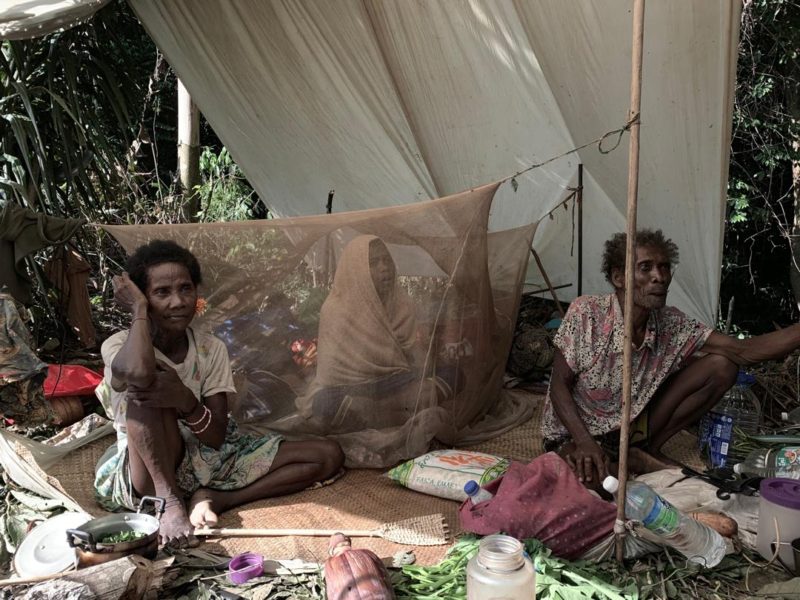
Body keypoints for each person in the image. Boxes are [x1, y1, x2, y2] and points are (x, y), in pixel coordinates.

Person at [94, 240, 344, 548]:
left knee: (328, 455)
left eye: (186, 289)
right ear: (142, 298)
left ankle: (218, 498)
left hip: (207, 455)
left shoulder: (210, 348)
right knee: (148, 390)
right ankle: (169, 502)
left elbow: (215, 436)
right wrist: (139, 312)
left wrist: (184, 398)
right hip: (151, 468)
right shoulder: (118, 345)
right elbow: (139, 373)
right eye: (161, 293)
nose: (178, 302)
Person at [542, 228, 800, 487]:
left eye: (664, 267)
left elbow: (743, 351)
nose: (659, 277)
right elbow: (558, 385)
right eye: (646, 268)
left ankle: (646, 448)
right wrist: (585, 442)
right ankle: (631, 462)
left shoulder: (671, 323)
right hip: (576, 435)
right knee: (591, 482)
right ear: (618, 277)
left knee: (722, 365)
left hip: (629, 430)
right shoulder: (587, 313)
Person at [297, 235, 463, 432]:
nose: (384, 268)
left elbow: (414, 358)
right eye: (374, 263)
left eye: (387, 260)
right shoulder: (336, 309)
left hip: (395, 382)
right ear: (356, 270)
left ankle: (380, 414)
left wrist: (427, 358)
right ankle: (403, 411)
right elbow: (332, 375)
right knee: (324, 403)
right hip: (353, 388)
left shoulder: (401, 304)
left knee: (455, 375)